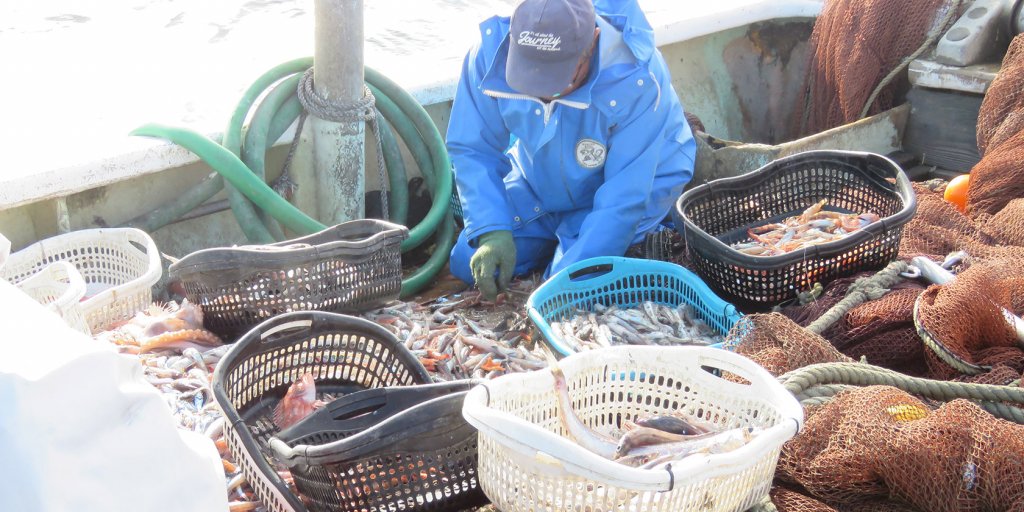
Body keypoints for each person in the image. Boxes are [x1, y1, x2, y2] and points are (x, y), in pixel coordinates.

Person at [446, 0, 696, 299]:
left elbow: (623, 200)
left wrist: (567, 281)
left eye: (554, 80)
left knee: (568, 286)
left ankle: (640, 235)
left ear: (592, 42)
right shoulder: (488, 55)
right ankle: (560, 240)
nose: (540, 91)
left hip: (637, 181)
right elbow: (473, 149)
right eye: (528, 75)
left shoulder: (638, 79)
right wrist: (490, 230)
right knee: (467, 261)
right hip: (538, 176)